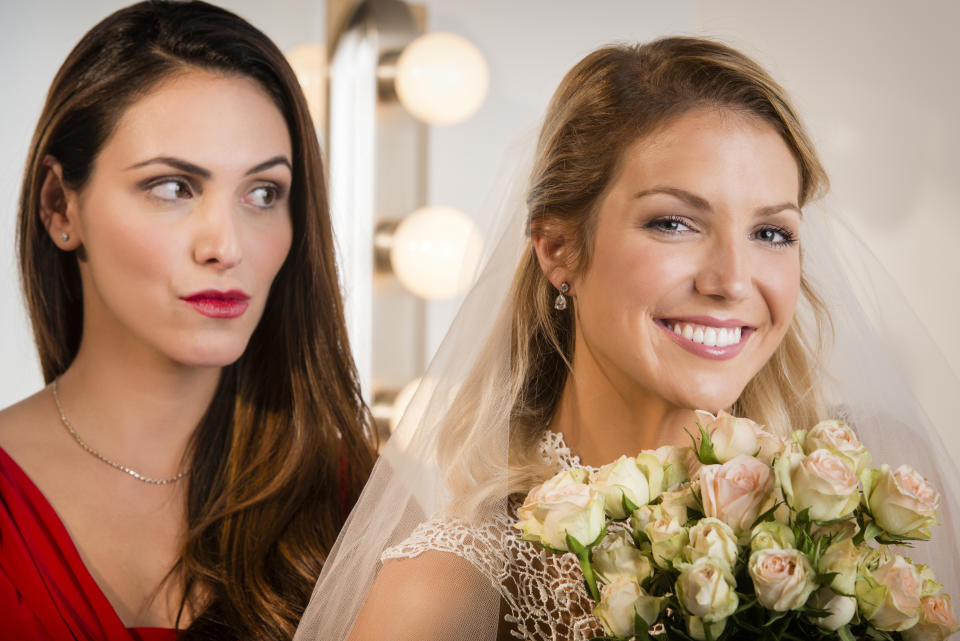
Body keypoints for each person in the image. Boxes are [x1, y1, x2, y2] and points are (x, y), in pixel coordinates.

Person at [294, 36, 960, 641]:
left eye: (771, 232)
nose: (732, 279)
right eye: (674, 222)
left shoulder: (859, 523)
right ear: (557, 248)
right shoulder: (449, 587)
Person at [0, 2, 376, 640]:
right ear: (60, 206)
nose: (225, 246)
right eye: (173, 187)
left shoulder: (355, 503)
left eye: (263, 193)